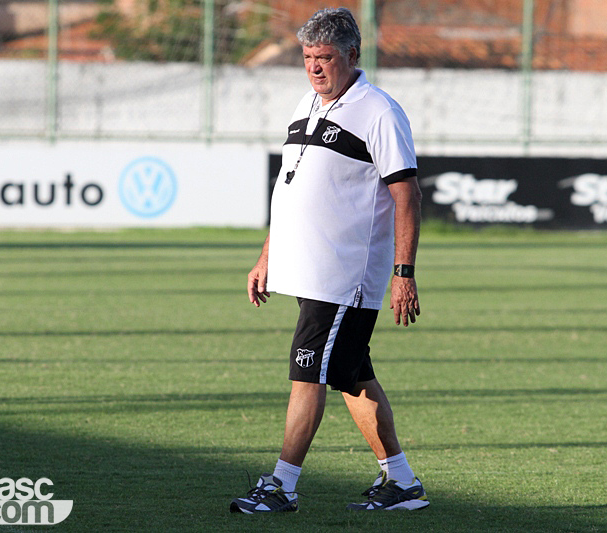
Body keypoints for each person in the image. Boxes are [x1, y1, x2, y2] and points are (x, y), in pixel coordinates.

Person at [230, 7, 427, 514]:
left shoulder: (379, 111)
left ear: (352, 55)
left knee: (307, 374)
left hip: (344, 277)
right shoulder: (307, 104)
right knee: (350, 374)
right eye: (307, 57)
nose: (314, 67)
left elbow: (407, 195)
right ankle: (402, 482)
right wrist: (267, 256)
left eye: (325, 58)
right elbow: (291, 190)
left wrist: (403, 273)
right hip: (307, 272)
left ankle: (282, 486)